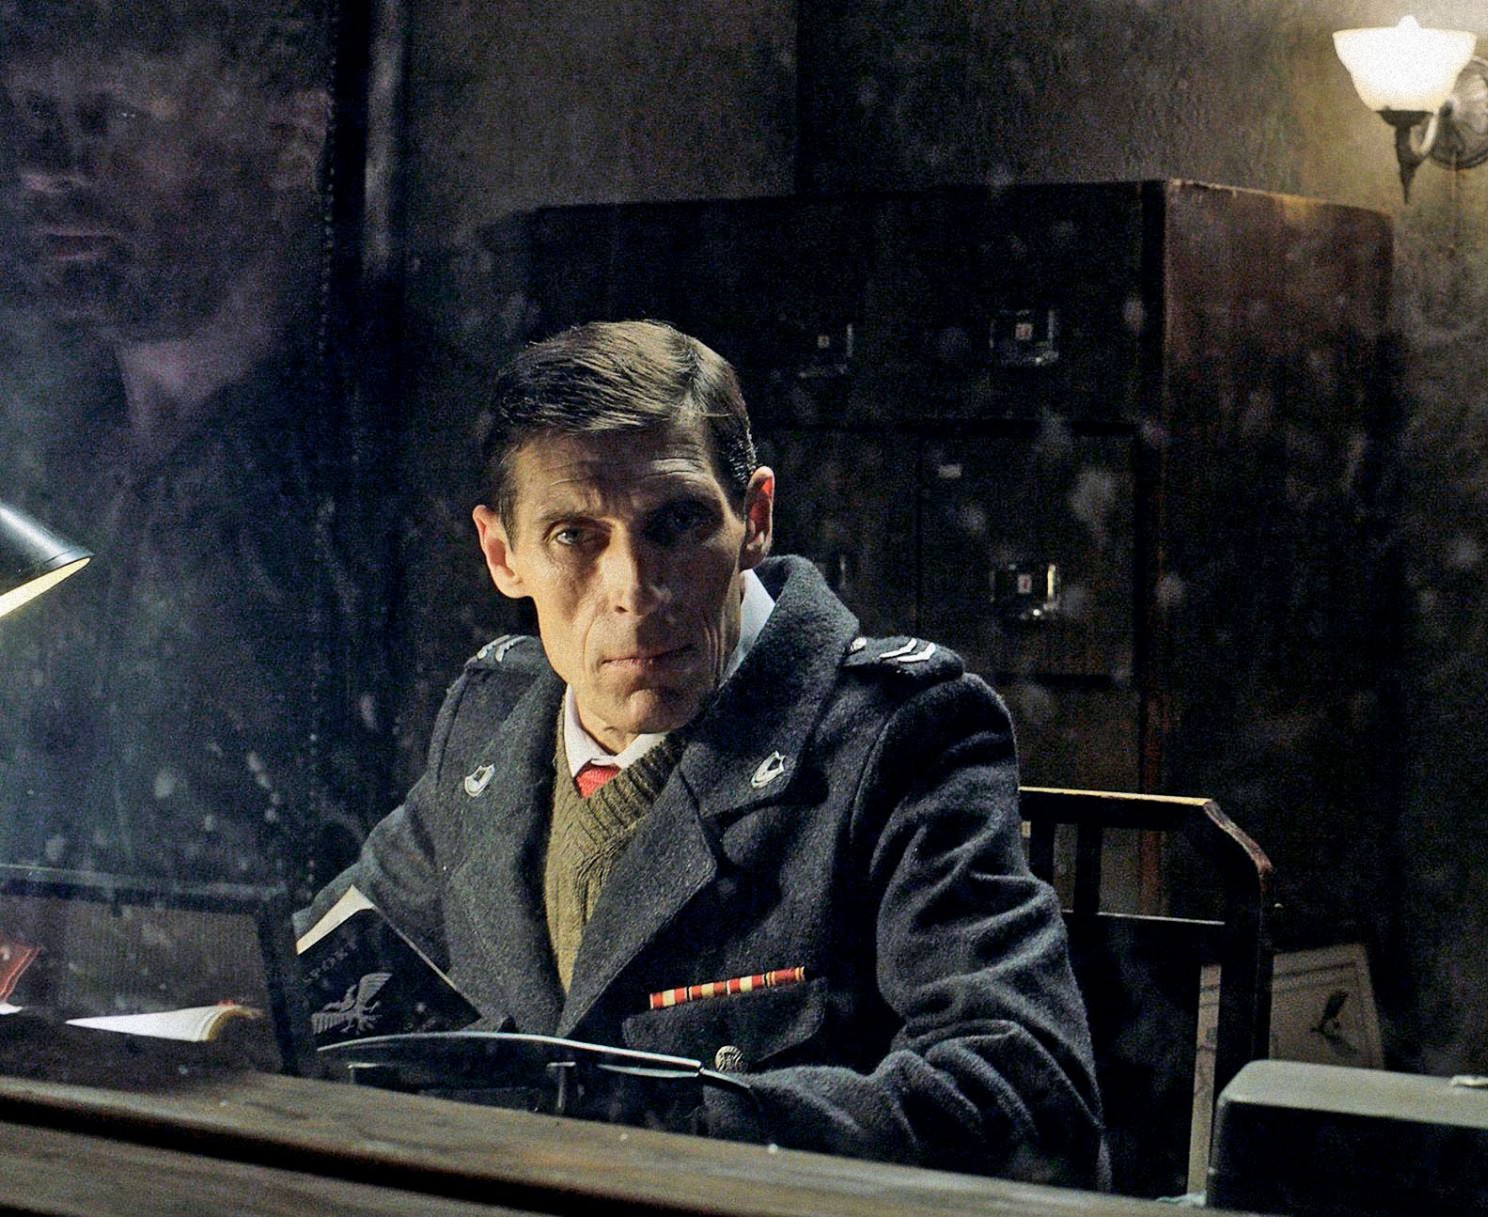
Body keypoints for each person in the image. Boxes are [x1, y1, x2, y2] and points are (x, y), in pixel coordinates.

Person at [301, 320, 1107, 1185]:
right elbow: (323, 974)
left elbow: (1030, 1101)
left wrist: (645, 1132)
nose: (634, 589)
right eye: (574, 535)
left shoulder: (900, 738)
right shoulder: (489, 728)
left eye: (677, 523)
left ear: (754, 519)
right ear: (504, 555)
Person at [0, 0, 366, 889]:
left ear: (289, 142)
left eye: (118, 117)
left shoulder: (383, 458)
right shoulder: (36, 448)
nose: (48, 169)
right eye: (31, 118)